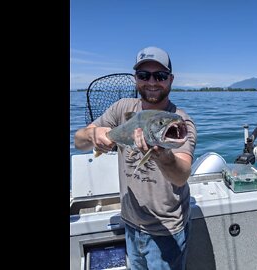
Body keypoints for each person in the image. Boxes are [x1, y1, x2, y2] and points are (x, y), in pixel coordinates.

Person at [74, 46, 197, 270]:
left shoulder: (180, 123)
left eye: (159, 76)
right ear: (136, 79)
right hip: (130, 222)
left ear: (170, 79)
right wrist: (94, 134)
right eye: (144, 76)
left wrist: (163, 156)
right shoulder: (121, 109)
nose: (152, 82)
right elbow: (78, 142)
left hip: (166, 231)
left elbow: (181, 175)